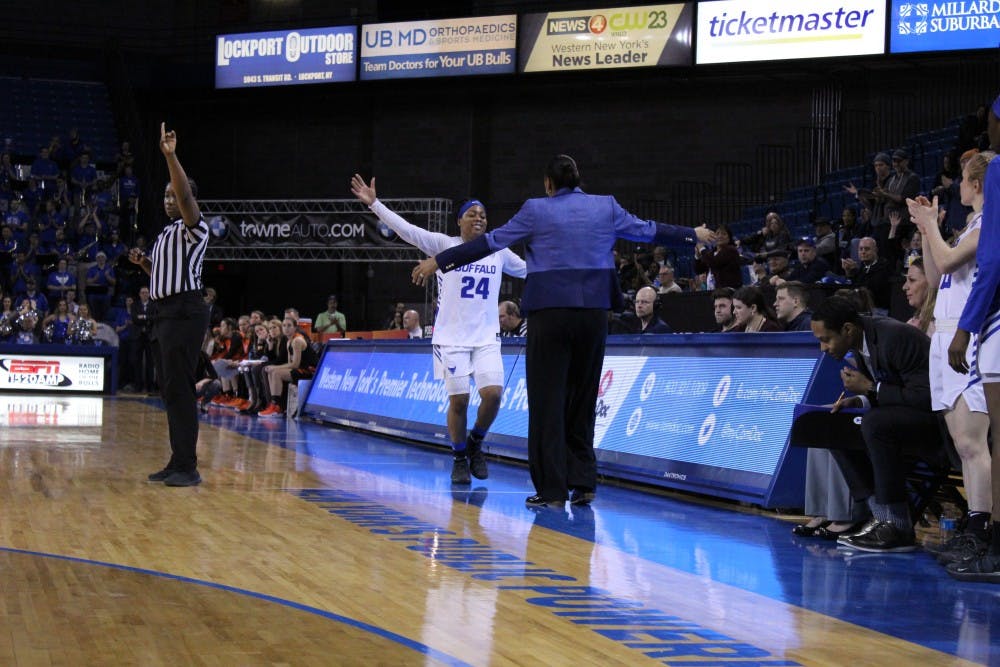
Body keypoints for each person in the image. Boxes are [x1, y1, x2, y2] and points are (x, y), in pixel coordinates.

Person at [410, 155, 713, 505]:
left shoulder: (536, 210)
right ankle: (584, 483)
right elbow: (647, 230)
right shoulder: (606, 207)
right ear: (578, 180)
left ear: (548, 185)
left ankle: (552, 490)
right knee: (584, 398)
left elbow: (490, 242)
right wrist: (692, 235)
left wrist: (440, 260)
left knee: (546, 402)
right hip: (593, 313)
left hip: (549, 313)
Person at [352, 174, 527, 484]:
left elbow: (530, 270)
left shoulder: (497, 250)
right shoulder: (445, 245)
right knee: (459, 401)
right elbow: (407, 231)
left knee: (494, 395)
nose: (479, 218)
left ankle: (475, 442)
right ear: (459, 221)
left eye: (483, 215)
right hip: (452, 339)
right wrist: (375, 204)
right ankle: (459, 455)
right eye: (472, 213)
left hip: (486, 338)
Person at [907, 150, 994, 567]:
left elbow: (945, 261)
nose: (957, 185)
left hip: (969, 337)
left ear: (976, 185)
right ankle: (975, 525)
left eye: (962, 178)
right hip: (942, 338)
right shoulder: (968, 228)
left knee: (972, 443)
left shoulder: (989, 226)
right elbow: (937, 273)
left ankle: (981, 530)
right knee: (961, 443)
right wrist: (929, 232)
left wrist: (929, 227)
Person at [811, 296, 944, 553]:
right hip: (903, 418)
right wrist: (859, 399)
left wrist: (871, 387)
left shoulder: (895, 337)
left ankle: (897, 526)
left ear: (847, 330)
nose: (823, 348)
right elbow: (888, 393)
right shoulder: (863, 340)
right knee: (835, 425)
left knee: (876, 423)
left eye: (825, 339)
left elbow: (925, 397)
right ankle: (880, 516)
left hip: (938, 423)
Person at [127, 123, 210, 488]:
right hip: (165, 313)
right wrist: (144, 265)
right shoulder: (166, 233)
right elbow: (163, 274)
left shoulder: (195, 226)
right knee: (170, 390)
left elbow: (187, 199)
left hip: (184, 311)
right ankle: (177, 460)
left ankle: (188, 467)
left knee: (180, 389)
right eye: (164, 197)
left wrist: (171, 156)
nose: (169, 201)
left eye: (173, 196)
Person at [943, 97, 1000, 581]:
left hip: (990, 325)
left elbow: (989, 263)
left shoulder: (998, 171)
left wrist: (965, 329)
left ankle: (992, 539)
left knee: (988, 444)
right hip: (982, 325)